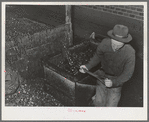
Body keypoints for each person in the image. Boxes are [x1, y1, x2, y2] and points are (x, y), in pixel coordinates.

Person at [79, 24, 135, 107]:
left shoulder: (130, 52)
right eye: (113, 44)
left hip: (117, 79)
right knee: (98, 103)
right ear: (111, 38)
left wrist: (114, 82)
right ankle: (96, 100)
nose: (115, 47)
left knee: (111, 106)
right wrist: (87, 66)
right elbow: (97, 56)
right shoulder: (105, 43)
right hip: (102, 75)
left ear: (125, 42)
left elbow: (127, 74)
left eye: (119, 45)